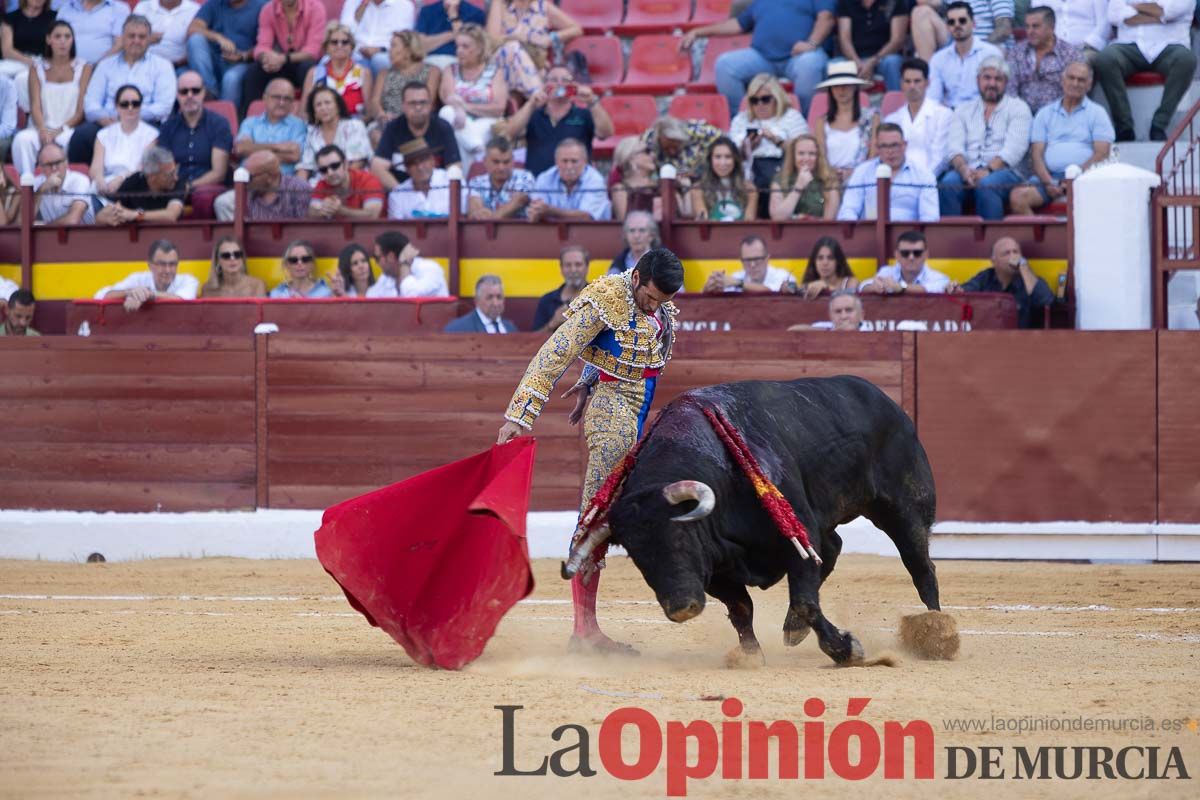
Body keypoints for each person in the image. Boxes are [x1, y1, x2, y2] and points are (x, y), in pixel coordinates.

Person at [496, 248, 684, 655]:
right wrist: (520, 414)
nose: (654, 306)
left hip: (637, 409)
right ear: (636, 277)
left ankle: (588, 629)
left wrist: (589, 376)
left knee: (615, 511)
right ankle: (583, 632)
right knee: (597, 513)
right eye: (650, 297)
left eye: (661, 302)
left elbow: (616, 349)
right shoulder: (605, 299)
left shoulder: (659, 304)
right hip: (612, 410)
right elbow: (553, 353)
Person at [680, 0, 835, 115]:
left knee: (809, 64)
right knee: (725, 65)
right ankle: (742, 120)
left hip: (799, 57)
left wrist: (811, 43)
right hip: (762, 57)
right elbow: (738, 24)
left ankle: (806, 123)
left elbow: (826, 18)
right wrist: (697, 32)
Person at [1009, 60, 1112, 215]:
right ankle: (1043, 237)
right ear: (1062, 81)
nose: (1075, 83)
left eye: (1081, 80)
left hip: (1085, 177)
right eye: (1071, 78)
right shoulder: (1045, 113)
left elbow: (1102, 153)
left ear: (1089, 85)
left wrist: (1073, 177)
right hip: (1050, 177)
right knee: (1017, 197)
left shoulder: (1098, 113)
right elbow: (1036, 155)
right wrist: (1048, 182)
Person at [939, 56, 1031, 220]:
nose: (992, 84)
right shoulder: (963, 110)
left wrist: (987, 170)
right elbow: (954, 147)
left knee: (987, 185)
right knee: (948, 184)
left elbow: (1014, 150)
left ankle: (993, 240)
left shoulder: (1019, 108)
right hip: (968, 169)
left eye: (998, 79)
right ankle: (952, 239)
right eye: (987, 78)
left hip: (1007, 172)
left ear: (1006, 83)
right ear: (978, 80)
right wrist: (963, 169)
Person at [75, 14, 175, 163]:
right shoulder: (105, 65)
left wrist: (129, 117)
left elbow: (164, 107)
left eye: (141, 37)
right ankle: (86, 181)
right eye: (131, 36)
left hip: (145, 123)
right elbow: (91, 104)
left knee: (163, 137)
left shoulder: (163, 66)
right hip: (107, 122)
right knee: (81, 136)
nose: (136, 41)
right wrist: (110, 120)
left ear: (149, 39)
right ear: (122, 38)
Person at [1093, 0, 1196, 142]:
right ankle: (1124, 127)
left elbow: (1171, 11)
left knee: (1186, 60)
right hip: (1130, 45)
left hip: (1170, 45)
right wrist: (1159, 16)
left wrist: (1134, 7)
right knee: (1105, 59)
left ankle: (1159, 124)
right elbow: (1113, 15)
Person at [502, 61, 611, 178]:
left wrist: (592, 101)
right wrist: (531, 103)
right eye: (553, 80)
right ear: (545, 85)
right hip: (538, 185)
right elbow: (509, 133)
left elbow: (606, 133)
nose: (559, 84)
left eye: (565, 80)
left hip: (576, 183)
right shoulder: (533, 114)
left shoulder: (583, 114)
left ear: (573, 85)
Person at [12, 20, 92, 178]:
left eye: (67, 36)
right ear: (49, 39)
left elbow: (80, 111)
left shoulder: (84, 68)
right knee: (22, 140)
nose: (63, 41)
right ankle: (28, 185)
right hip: (40, 127)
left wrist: (58, 131)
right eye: (58, 36)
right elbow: (35, 105)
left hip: (69, 129)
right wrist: (43, 130)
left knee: (73, 140)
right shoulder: (37, 68)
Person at [729, 73, 808, 217]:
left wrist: (777, 141)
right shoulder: (740, 120)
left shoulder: (792, 117)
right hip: (749, 174)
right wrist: (747, 148)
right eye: (754, 100)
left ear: (777, 98)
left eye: (765, 99)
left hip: (784, 172)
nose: (760, 105)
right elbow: (729, 155)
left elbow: (804, 152)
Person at [156, 70, 233, 216]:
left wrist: (189, 186)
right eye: (184, 92)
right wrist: (177, 186)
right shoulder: (168, 127)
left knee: (202, 197)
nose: (189, 96)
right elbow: (165, 166)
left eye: (195, 91)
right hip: (176, 185)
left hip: (209, 186)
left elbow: (219, 172)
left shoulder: (219, 124)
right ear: (177, 95)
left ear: (204, 92)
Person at [240, 0, 327, 118]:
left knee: (308, 68)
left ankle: (310, 119)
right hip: (282, 61)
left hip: (306, 61)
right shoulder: (268, 9)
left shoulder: (315, 8)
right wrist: (266, 58)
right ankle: (251, 121)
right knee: (254, 71)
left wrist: (282, 58)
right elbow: (262, 46)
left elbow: (313, 50)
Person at [837, 122, 939, 221]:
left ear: (904, 145)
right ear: (877, 148)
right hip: (870, 234)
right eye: (884, 146)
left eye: (894, 145)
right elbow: (848, 210)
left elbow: (930, 217)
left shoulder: (924, 175)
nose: (890, 151)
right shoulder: (862, 172)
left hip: (909, 235)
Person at [437, 22, 506, 167]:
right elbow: (448, 98)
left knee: (460, 136)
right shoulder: (451, 70)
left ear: (480, 48)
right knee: (446, 112)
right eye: (457, 46)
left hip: (486, 121)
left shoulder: (495, 72)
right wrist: (458, 110)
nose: (459, 51)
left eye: (465, 46)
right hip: (458, 119)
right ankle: (477, 150)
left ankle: (461, 180)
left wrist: (465, 108)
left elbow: (499, 108)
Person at [371, 80, 459, 189]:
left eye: (423, 102)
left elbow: (454, 167)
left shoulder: (442, 127)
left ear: (431, 104)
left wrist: (435, 193)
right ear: (403, 106)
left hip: (437, 190)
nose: (418, 108)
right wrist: (402, 192)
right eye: (412, 103)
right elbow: (377, 167)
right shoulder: (393, 128)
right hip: (402, 191)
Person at [485, 0, 582, 99]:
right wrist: (519, 37)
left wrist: (549, 38)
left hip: (534, 65)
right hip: (504, 65)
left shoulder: (542, 6)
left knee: (525, 59)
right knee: (512, 48)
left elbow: (576, 29)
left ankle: (539, 97)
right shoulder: (500, 4)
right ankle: (540, 98)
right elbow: (491, 40)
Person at [952, 235, 1054, 327]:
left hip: (1021, 341)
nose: (1013, 257)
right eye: (1006, 253)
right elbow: (965, 292)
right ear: (994, 261)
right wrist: (956, 290)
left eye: (1016, 252)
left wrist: (1023, 265)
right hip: (988, 340)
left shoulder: (1028, 279)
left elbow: (1046, 301)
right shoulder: (986, 277)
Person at [185, 0, 266, 114]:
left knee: (231, 79)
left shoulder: (261, 6)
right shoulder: (215, 3)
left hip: (243, 62)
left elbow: (265, 44)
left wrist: (243, 56)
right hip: (214, 60)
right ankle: (209, 92)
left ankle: (224, 120)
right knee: (195, 40)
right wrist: (218, 37)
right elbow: (193, 28)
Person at [1005, 5, 1081, 116]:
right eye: (1027, 26)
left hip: (1059, 116)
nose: (1030, 31)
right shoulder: (1017, 53)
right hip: (1021, 116)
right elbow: (1010, 91)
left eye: (1035, 26)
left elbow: (1075, 94)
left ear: (1051, 27)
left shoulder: (1070, 54)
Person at [884, 57, 952, 176]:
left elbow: (940, 158)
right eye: (907, 81)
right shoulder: (892, 119)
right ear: (901, 84)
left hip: (931, 179)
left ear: (927, 83)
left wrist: (921, 181)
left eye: (917, 81)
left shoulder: (943, 114)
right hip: (897, 179)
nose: (912, 86)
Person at [927, 1, 1002, 109]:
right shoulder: (938, 59)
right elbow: (933, 99)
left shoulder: (991, 54)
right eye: (952, 22)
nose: (957, 25)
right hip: (949, 116)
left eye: (962, 20)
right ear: (947, 27)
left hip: (981, 113)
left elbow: (997, 95)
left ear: (973, 23)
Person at [812, 61, 877, 184]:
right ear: (830, 90)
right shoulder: (821, 122)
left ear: (855, 87)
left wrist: (854, 173)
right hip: (830, 183)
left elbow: (873, 155)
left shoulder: (872, 118)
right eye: (836, 86)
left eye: (846, 85)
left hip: (862, 181)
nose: (841, 90)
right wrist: (832, 174)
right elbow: (821, 157)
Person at [89, 83, 159, 197]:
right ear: (116, 106)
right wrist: (100, 180)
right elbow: (96, 167)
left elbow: (143, 168)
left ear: (141, 105)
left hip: (135, 183)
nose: (130, 108)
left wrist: (121, 179)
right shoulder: (103, 134)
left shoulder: (152, 135)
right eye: (124, 104)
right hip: (106, 183)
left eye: (135, 104)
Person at [367, 30, 440, 136]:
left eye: (394, 46)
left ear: (408, 49)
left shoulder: (432, 71)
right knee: (376, 135)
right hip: (388, 123)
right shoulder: (384, 73)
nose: (389, 51)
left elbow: (430, 102)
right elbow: (375, 102)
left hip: (419, 121)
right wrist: (381, 115)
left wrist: (404, 118)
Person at [95, 238, 199, 312]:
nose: (167, 270)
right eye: (162, 264)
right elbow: (101, 296)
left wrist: (148, 295)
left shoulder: (189, 280)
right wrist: (129, 293)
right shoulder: (137, 279)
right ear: (150, 265)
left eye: (172, 264)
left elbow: (183, 301)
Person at [94, 145, 185, 224]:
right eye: (169, 174)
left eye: (175, 171)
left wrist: (135, 215)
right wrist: (110, 216)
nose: (175, 177)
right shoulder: (134, 181)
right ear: (152, 177)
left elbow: (171, 215)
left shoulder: (177, 183)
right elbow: (101, 216)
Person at [233, 76, 306, 174]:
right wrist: (278, 146)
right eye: (276, 97)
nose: (281, 102)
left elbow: (294, 155)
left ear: (292, 103)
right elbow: (241, 148)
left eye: (287, 98)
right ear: (264, 98)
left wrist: (254, 150)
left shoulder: (298, 125)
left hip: (282, 183)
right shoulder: (250, 123)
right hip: (250, 181)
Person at [295, 84, 370, 179]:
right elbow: (305, 166)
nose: (323, 108)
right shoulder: (313, 133)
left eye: (327, 103)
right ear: (314, 112)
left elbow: (358, 162)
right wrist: (298, 188)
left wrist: (335, 185)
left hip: (351, 181)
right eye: (318, 105)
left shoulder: (354, 126)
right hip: (320, 185)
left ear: (338, 106)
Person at [528, 137, 610, 222]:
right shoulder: (544, 178)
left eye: (574, 161)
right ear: (556, 161)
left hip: (592, 234)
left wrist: (551, 212)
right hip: (551, 233)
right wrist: (537, 213)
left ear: (585, 161)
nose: (569, 166)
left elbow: (586, 218)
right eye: (564, 161)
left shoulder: (595, 180)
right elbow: (536, 212)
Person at [299, 21, 371, 118]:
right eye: (334, 42)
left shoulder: (363, 72)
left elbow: (369, 112)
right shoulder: (314, 73)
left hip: (353, 125)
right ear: (326, 47)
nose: (339, 45)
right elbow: (304, 111)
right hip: (321, 126)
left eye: (345, 42)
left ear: (351, 47)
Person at [213, 149, 311, 220]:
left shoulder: (298, 188)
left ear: (269, 177)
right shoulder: (249, 191)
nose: (245, 181)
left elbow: (303, 227)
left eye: (250, 177)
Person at [836, 0, 911, 91]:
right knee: (834, 65)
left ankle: (897, 103)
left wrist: (872, 61)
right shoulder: (846, 3)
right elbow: (844, 39)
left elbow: (897, 40)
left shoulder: (895, 2)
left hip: (884, 57)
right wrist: (857, 62)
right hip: (854, 58)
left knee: (892, 62)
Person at [639, 116, 723, 192]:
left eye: (675, 147)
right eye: (666, 148)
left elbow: (725, 146)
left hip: (699, 177)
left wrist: (698, 172)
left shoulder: (699, 131)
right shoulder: (648, 141)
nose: (672, 151)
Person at [769, 133, 841, 220]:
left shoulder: (830, 180)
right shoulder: (780, 179)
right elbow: (777, 217)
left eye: (812, 154)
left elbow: (830, 220)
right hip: (789, 232)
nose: (806, 158)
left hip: (819, 231)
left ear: (818, 156)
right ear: (793, 156)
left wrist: (807, 219)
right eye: (801, 153)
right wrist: (799, 186)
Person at [685, 135, 757, 221]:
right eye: (718, 157)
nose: (723, 163)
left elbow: (749, 222)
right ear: (710, 160)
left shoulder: (749, 189)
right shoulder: (698, 189)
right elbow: (703, 221)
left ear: (735, 160)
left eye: (728, 157)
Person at [1, 0, 55, 110]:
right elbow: (7, 50)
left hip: (41, 61)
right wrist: (29, 61)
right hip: (15, 60)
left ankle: (27, 116)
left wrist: (36, 62)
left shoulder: (53, 17)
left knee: (22, 79)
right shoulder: (11, 17)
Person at [859, 229, 951, 293]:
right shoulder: (886, 272)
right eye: (905, 253)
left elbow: (935, 288)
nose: (911, 257)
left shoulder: (939, 278)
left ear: (926, 254)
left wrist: (901, 288)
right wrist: (874, 287)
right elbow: (863, 285)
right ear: (897, 255)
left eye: (917, 253)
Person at [339, 0, 415, 76]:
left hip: (386, 54)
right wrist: (363, 6)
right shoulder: (353, 2)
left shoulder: (404, 5)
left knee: (379, 60)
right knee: (332, 59)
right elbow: (344, 35)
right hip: (355, 53)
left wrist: (380, 49)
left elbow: (403, 41)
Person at [309, 142, 384, 219]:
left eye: (335, 166)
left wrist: (342, 211)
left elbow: (372, 216)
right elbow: (311, 212)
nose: (330, 173)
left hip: (373, 230)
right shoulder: (322, 184)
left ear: (346, 164)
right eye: (323, 170)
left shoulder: (368, 180)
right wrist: (322, 210)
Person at [465, 134, 532, 219]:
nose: (501, 168)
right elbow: (474, 210)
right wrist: (479, 214)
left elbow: (519, 201)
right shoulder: (476, 181)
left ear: (513, 161)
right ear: (485, 161)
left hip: (518, 231)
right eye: (496, 162)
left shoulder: (524, 177)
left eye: (506, 162)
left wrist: (491, 219)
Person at [702, 234, 797, 293]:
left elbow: (768, 291)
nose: (752, 265)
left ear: (767, 259)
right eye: (747, 260)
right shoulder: (736, 277)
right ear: (741, 261)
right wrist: (710, 287)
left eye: (757, 259)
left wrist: (737, 283)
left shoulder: (784, 276)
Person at [366, 229, 449, 297]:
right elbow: (370, 297)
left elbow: (411, 297)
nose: (376, 263)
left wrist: (405, 266)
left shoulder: (430, 269)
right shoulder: (387, 276)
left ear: (391, 256)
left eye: (377, 258)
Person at [387, 136, 449, 219]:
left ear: (432, 161)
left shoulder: (450, 180)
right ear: (407, 169)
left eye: (423, 160)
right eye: (413, 163)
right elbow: (397, 229)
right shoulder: (397, 195)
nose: (420, 167)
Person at [32, 141, 94, 223]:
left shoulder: (79, 180)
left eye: (58, 162)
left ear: (66, 162)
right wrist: (41, 190)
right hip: (52, 234)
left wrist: (44, 228)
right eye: (49, 164)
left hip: (82, 234)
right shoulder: (37, 183)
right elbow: (24, 221)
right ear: (40, 167)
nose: (54, 168)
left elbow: (73, 220)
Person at [532, 243, 588, 332]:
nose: (573, 270)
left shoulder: (596, 299)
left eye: (578, 264)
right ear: (561, 269)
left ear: (587, 267)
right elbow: (533, 340)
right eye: (568, 265)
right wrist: (552, 323)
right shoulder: (547, 301)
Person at [55, 0, 129, 65]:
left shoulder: (119, 9)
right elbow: (56, 39)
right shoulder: (66, 8)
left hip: (104, 71)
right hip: (68, 69)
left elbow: (120, 44)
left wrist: (97, 67)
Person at [134, 0, 199, 70]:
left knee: (191, 79)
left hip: (179, 67)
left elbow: (197, 46)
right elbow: (129, 37)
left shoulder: (194, 9)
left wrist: (181, 61)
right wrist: (145, 39)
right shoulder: (143, 7)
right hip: (143, 63)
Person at [416, 0, 485, 65]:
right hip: (429, 61)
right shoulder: (427, 11)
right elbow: (420, 46)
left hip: (459, 62)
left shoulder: (476, 13)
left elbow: (468, 44)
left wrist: (454, 16)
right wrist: (452, 34)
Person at [609, 136, 660, 222]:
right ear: (630, 157)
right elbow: (624, 223)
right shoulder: (620, 189)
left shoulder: (661, 186)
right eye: (647, 151)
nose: (653, 155)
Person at [443, 274, 518, 333]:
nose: (495, 303)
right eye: (489, 297)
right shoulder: (458, 329)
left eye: (499, 297)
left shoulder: (510, 328)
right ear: (476, 301)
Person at [201, 235, 266, 297]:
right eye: (226, 255)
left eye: (237, 254)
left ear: (242, 258)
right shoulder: (207, 289)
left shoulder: (257, 285)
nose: (232, 259)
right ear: (218, 261)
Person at [268, 239, 332, 298]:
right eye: (293, 260)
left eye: (305, 259)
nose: (299, 263)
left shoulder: (326, 293)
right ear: (287, 265)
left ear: (312, 264)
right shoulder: (277, 294)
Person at [605, 211, 658, 275]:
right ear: (626, 235)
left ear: (651, 235)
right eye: (632, 230)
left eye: (642, 230)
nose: (636, 236)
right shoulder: (618, 263)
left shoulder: (662, 261)